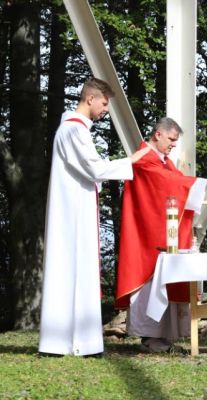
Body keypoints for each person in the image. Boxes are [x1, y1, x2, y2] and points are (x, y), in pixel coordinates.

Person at [39, 77, 150, 356]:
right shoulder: (74, 130)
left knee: (74, 270)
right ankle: (69, 341)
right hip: (72, 213)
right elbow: (95, 169)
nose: (105, 109)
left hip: (74, 209)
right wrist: (132, 161)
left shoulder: (73, 129)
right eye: (104, 103)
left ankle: (72, 340)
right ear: (90, 99)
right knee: (73, 269)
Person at [115, 117, 207, 353]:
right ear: (158, 134)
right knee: (149, 281)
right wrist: (204, 183)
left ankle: (164, 336)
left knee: (166, 278)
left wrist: (195, 185)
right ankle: (149, 337)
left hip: (162, 232)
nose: (173, 145)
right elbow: (167, 183)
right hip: (147, 234)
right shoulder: (144, 159)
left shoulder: (163, 160)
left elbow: (175, 183)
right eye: (171, 140)